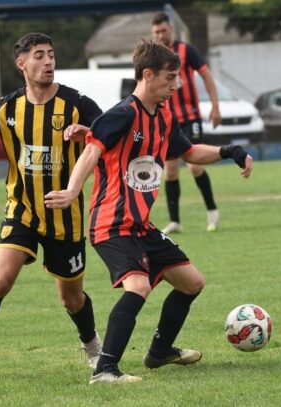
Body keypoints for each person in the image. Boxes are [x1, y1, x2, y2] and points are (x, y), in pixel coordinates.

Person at [44, 40, 252, 384]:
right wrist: (72, 190)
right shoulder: (122, 114)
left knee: (192, 283)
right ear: (148, 75)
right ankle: (105, 369)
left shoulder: (164, 117)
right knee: (138, 286)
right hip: (112, 223)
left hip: (140, 225)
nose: (176, 85)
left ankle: (159, 351)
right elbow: (92, 151)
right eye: (170, 78)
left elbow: (189, 152)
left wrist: (230, 151)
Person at [0, 33, 104, 381]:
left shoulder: (77, 103)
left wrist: (87, 131)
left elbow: (108, 138)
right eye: (39, 55)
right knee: (0, 281)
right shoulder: (6, 108)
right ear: (21, 63)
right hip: (21, 210)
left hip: (65, 216)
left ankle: (92, 346)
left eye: (51, 54)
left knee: (71, 299)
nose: (48, 61)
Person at [150, 12, 223, 234]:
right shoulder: (153, 58)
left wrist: (215, 106)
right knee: (170, 172)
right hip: (167, 122)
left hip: (191, 118)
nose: (160, 35)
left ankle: (212, 211)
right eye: (156, 32)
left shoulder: (186, 50)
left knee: (194, 166)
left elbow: (206, 76)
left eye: (163, 30)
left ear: (171, 28)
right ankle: (175, 221)